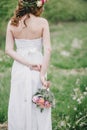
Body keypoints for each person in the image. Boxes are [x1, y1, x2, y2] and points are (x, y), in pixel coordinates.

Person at [5, 0, 52, 130]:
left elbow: (8, 50)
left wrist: (28, 64)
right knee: (39, 102)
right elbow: (48, 49)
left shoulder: (12, 23)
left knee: (18, 101)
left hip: (20, 66)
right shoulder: (43, 22)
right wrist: (42, 74)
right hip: (39, 66)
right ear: (38, 5)